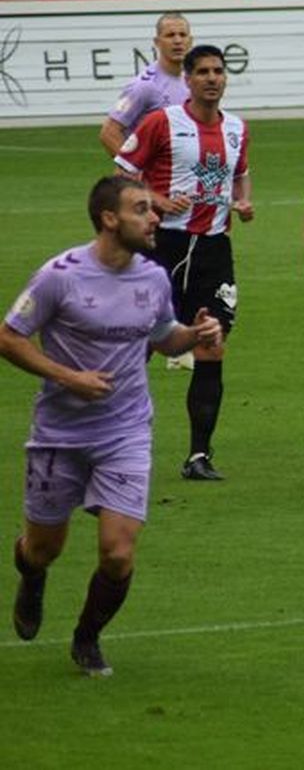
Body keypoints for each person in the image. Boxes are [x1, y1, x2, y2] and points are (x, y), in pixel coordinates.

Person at [4, 176, 223, 676]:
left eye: (152, 208)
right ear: (109, 219)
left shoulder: (152, 276)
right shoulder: (59, 276)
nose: (154, 218)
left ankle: (87, 638)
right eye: (142, 209)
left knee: (118, 554)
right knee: (42, 548)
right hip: (59, 433)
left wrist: (196, 333)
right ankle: (32, 576)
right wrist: (68, 377)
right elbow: (9, 337)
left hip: (126, 431)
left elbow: (165, 336)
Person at [115, 45, 253, 482]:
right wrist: (155, 199)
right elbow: (122, 173)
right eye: (204, 72)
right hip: (165, 246)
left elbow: (240, 174)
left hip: (213, 248)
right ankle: (113, 440)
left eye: (219, 71)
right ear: (188, 80)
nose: (213, 78)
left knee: (211, 344)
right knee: (143, 345)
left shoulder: (236, 128)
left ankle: (198, 456)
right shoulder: (162, 122)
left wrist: (243, 201)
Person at [100, 13, 192, 158]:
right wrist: (133, 171)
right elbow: (109, 132)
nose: (177, 41)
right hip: (153, 178)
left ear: (190, 41)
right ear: (157, 42)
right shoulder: (144, 86)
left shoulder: (193, 79)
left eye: (182, 35)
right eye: (170, 35)